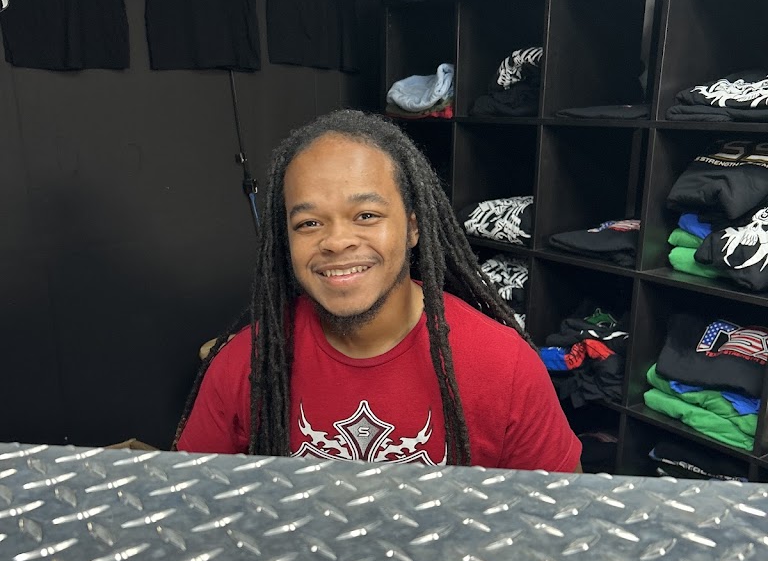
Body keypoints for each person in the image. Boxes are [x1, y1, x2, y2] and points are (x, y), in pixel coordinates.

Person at [174, 109, 581, 471]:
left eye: (366, 215)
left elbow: (561, 517)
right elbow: (190, 506)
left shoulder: (505, 366)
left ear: (413, 227)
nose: (336, 242)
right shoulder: (246, 364)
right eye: (309, 223)